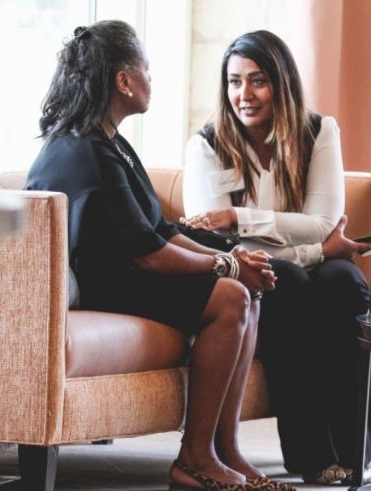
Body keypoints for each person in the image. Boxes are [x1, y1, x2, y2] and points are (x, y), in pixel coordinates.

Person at [25, 21, 293, 491]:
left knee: (244, 294)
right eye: (146, 69)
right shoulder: (85, 151)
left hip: (126, 273)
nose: (153, 78)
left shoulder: (110, 143)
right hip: (103, 285)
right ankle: (193, 459)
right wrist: (228, 265)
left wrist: (236, 261)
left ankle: (224, 449)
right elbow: (148, 255)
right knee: (230, 298)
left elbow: (161, 229)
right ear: (124, 81)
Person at [181, 30, 371, 485]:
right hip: (247, 276)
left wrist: (240, 215)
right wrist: (313, 251)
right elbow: (223, 246)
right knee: (288, 279)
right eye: (234, 82)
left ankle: (352, 452)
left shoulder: (318, 131)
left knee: (343, 282)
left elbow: (324, 222)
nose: (243, 95)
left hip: (298, 267)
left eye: (257, 80)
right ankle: (313, 456)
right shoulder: (206, 146)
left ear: (281, 83)